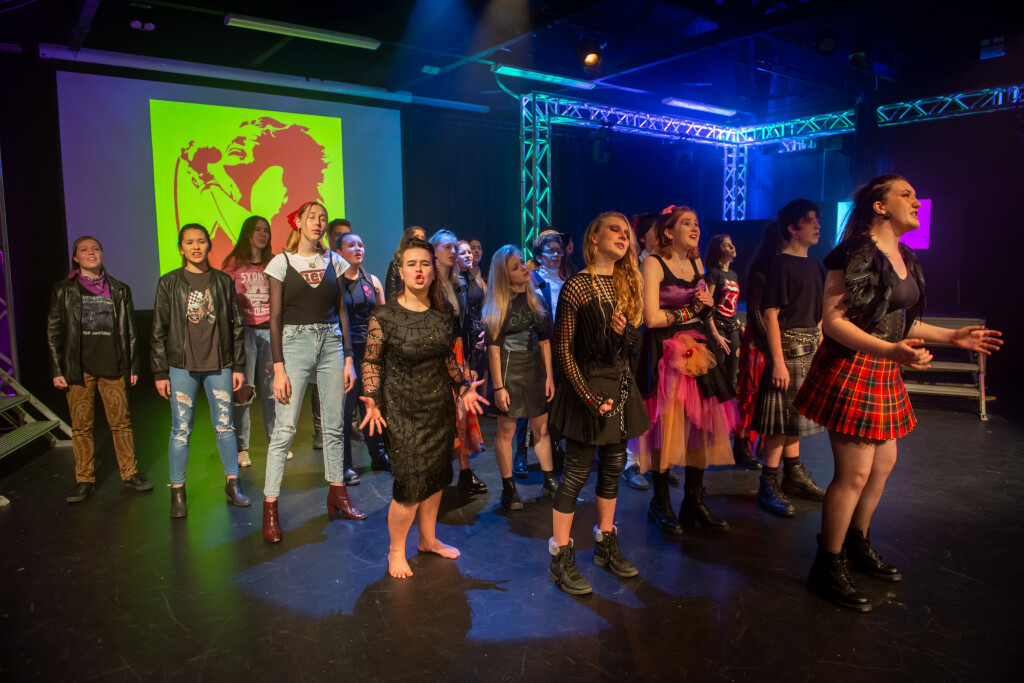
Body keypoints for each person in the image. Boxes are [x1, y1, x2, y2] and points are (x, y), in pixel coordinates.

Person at [794, 175, 1002, 611]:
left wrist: (953, 337)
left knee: (883, 464)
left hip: (882, 368)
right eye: (906, 194)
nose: (917, 202)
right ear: (880, 206)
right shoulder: (854, 252)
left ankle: (856, 542)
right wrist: (889, 349)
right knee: (853, 474)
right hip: (852, 367)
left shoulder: (903, 255)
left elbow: (901, 321)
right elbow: (833, 322)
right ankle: (827, 564)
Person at [359, 238, 489, 579]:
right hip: (402, 411)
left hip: (438, 408)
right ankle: (396, 550)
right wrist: (371, 397)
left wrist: (463, 386)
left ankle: (428, 540)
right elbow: (371, 361)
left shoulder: (442, 316)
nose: (418, 270)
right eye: (411, 264)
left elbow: (447, 360)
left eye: (425, 264)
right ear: (401, 271)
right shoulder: (384, 316)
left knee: (435, 478)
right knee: (409, 486)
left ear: (433, 271)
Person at [547, 212, 650, 595]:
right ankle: (560, 557)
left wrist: (624, 334)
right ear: (594, 237)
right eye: (614, 230)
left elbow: (633, 347)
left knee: (612, 469)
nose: (623, 237)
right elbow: (563, 350)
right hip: (586, 388)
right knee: (575, 474)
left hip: (620, 387)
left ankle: (606, 543)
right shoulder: (577, 286)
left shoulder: (628, 284)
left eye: (627, 232)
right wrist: (589, 398)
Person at [260, 201, 364, 544]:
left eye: (323, 218)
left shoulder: (335, 261)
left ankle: (337, 495)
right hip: (294, 344)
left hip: (331, 342)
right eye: (312, 217)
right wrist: (278, 367)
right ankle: (270, 508)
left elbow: (342, 312)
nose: (319, 223)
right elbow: (275, 318)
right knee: (284, 429)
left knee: (334, 426)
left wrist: (348, 358)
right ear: (298, 223)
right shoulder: (281, 262)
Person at [631, 206, 738, 536]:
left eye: (696, 223)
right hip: (665, 351)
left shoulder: (696, 262)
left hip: (698, 349)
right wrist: (692, 311)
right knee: (666, 428)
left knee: (700, 427)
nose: (695, 228)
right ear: (668, 232)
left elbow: (702, 308)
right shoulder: (653, 263)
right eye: (686, 223)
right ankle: (660, 502)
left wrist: (711, 320)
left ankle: (694, 501)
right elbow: (651, 318)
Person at [151, 224, 249, 518]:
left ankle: (233, 485)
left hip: (219, 365)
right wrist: (159, 372)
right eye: (189, 242)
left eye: (201, 241)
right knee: (180, 430)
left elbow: (236, 325)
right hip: (181, 366)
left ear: (209, 245)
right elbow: (158, 329)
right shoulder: (169, 282)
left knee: (225, 426)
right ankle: (177, 491)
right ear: (181, 248)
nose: (196, 247)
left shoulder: (222, 281)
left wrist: (238, 365)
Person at [48, 236, 152, 503]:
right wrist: (57, 369)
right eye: (84, 250)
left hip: (113, 366)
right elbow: (53, 332)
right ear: (76, 258)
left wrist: (133, 365)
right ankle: (84, 480)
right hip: (79, 369)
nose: (91, 252)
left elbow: (130, 330)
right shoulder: (64, 290)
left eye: (95, 249)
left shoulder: (119, 289)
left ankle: (130, 473)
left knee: (121, 423)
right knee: (81, 427)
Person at [752, 201, 829, 517]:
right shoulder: (780, 265)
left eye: (817, 220)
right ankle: (768, 482)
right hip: (788, 352)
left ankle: (794, 476)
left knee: (796, 419)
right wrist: (778, 361)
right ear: (793, 228)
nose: (817, 225)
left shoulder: (817, 266)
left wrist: (820, 344)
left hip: (811, 353)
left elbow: (820, 314)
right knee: (779, 422)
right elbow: (771, 315)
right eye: (809, 220)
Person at [483, 245, 558, 509]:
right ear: (504, 275)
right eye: (516, 267)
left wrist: (549, 377)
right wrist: (499, 387)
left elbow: (545, 342)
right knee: (507, 431)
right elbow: (493, 349)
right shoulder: (498, 305)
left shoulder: (537, 299)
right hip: (509, 371)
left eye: (522, 263)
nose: (524, 268)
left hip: (535, 369)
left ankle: (549, 481)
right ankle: (508, 488)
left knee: (541, 429)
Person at [221, 215, 282, 469]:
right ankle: (242, 448)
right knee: (243, 391)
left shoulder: (274, 262)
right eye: (257, 229)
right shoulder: (233, 262)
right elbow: (224, 295)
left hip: (270, 330)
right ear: (247, 233)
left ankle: (275, 442)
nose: (263, 234)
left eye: (266, 230)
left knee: (272, 391)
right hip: (244, 331)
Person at [430, 229, 486, 493]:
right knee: (441, 416)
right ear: (434, 251)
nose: (453, 252)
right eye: (447, 247)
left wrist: (472, 364)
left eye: (455, 247)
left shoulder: (459, 282)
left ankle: (465, 472)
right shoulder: (427, 282)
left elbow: (466, 327)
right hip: (435, 355)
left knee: (463, 414)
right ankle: (438, 474)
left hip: (459, 353)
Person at [512, 230, 567, 477]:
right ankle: (521, 453)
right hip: (537, 349)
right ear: (539, 255)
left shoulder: (566, 281)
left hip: (561, 349)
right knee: (530, 403)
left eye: (559, 251)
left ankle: (554, 446)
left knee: (555, 401)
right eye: (550, 251)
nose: (556, 255)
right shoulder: (532, 281)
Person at [337, 232, 391, 480]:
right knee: (346, 410)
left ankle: (378, 456)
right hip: (345, 353)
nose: (358, 248)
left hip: (370, 352)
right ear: (339, 252)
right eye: (351, 245)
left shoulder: (372, 280)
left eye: (360, 244)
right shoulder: (335, 283)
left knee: (371, 403)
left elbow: (382, 317)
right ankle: (344, 464)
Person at [734, 222, 784, 470]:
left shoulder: (785, 266)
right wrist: (768, 341)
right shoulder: (761, 269)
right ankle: (741, 445)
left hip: (776, 339)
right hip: (759, 340)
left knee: (774, 393)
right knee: (751, 392)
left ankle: (766, 443)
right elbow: (754, 311)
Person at [621, 212, 661, 491]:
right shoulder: (635, 265)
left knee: (656, 404)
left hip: (660, 343)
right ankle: (631, 462)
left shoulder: (668, 263)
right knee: (635, 400)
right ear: (644, 237)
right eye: (659, 230)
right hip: (638, 340)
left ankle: (653, 461)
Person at [457, 240, 487, 386]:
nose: (468, 255)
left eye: (469, 252)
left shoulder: (478, 283)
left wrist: (485, 332)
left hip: (478, 341)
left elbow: (482, 313)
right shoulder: (453, 283)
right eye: (463, 253)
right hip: (462, 341)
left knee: (479, 381)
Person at [384, 226, 426, 301]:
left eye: (422, 237)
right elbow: (391, 297)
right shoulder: (395, 265)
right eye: (416, 237)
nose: (420, 240)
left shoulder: (428, 265)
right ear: (407, 240)